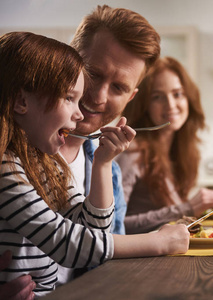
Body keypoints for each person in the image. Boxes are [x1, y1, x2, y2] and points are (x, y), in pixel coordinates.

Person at [0, 31, 189, 298]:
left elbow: (92, 231)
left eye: (118, 87)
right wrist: (157, 242)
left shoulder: (46, 164)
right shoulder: (7, 167)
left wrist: (101, 164)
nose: (92, 101)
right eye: (69, 97)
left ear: (130, 97)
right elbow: (66, 243)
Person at [57, 4, 170, 285]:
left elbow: (106, 264)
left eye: (118, 88)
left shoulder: (110, 175)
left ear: (131, 97)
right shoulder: (9, 150)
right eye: (93, 74)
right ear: (68, 59)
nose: (97, 97)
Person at [116, 57, 213, 234]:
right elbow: (114, 226)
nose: (170, 105)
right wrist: (187, 208)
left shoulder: (181, 150)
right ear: (144, 105)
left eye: (177, 94)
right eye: (157, 97)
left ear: (189, 98)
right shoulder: (132, 152)